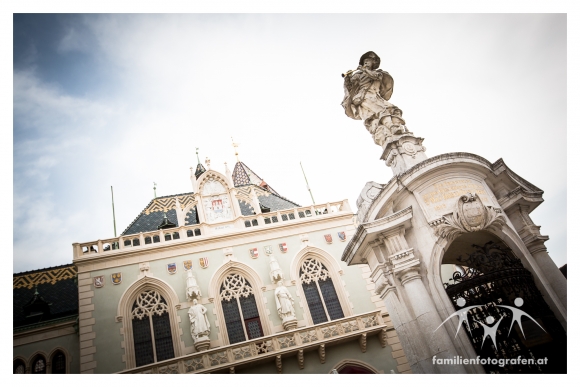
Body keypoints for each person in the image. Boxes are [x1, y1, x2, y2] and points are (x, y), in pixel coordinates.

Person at [341, 51, 407, 146]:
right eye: (364, 61)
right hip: (363, 97)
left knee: (393, 110)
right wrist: (347, 79)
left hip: (374, 95)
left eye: (368, 61)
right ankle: (392, 127)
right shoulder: (358, 75)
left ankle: (396, 127)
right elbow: (350, 88)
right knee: (381, 110)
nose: (366, 63)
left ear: (374, 63)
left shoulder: (378, 73)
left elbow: (376, 77)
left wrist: (365, 71)